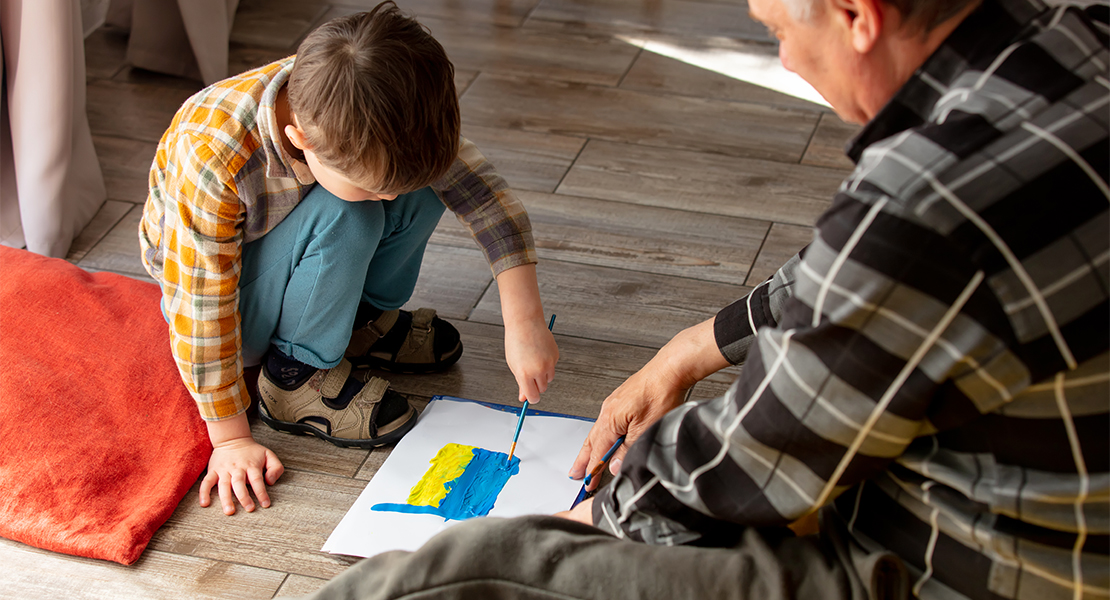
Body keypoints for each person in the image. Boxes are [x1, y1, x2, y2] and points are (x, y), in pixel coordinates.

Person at [285, 0, 1108, 598]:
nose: (785, 60)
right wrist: (693, 347)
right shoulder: (1077, 37)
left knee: (467, 571)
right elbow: (855, 283)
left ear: (858, 15)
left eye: (783, 32)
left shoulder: (923, 213)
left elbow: (760, 459)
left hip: (973, 566)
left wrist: (602, 512)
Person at [139, 2, 559, 517]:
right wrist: (228, 439)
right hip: (229, 305)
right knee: (351, 215)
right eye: (373, 187)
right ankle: (292, 375)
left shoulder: (368, 100)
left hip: (295, 260)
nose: (389, 204)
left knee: (423, 188)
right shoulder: (212, 154)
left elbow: (483, 195)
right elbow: (199, 305)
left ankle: (354, 323)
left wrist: (525, 322)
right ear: (300, 140)